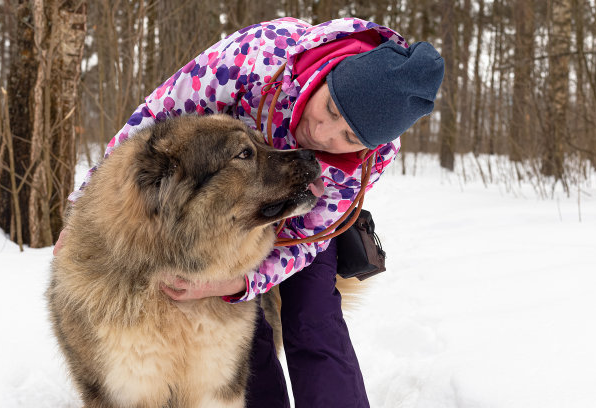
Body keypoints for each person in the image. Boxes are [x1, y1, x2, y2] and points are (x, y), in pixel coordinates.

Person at [60, 17, 444, 407]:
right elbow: (153, 127)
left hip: (289, 214)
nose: (324, 133)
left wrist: (239, 283)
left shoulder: (366, 162)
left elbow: (308, 239)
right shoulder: (260, 56)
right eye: (329, 107)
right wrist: (85, 206)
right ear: (328, 74)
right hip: (228, 199)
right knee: (249, 329)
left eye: (349, 137)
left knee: (313, 317)